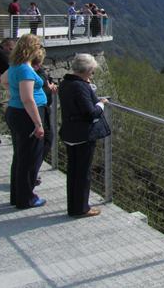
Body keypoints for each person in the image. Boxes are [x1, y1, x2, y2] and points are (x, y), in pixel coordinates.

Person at [59, 53, 107, 217]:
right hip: (82, 135)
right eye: (92, 72)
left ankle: (74, 206)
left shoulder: (65, 83)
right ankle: (81, 208)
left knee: (73, 171)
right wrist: (101, 104)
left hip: (69, 132)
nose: (92, 75)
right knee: (83, 173)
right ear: (86, 70)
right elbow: (90, 113)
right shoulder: (80, 87)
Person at [2, 34, 47, 209]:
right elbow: (28, 99)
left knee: (20, 156)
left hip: (15, 111)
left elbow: (3, 80)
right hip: (26, 115)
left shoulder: (14, 66)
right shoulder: (26, 70)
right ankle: (26, 198)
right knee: (29, 158)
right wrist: (38, 123)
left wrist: (14, 94)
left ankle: (17, 195)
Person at [33, 59, 57, 185]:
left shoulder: (35, 69)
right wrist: (37, 124)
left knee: (45, 140)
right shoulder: (25, 70)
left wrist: (48, 86)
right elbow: (28, 96)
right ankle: (29, 176)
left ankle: (30, 173)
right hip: (35, 111)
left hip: (41, 108)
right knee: (41, 142)